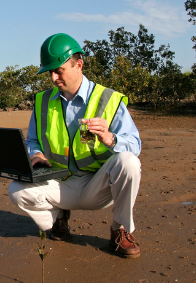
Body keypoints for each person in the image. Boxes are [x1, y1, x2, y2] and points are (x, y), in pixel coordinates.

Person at [8, 33, 142, 259]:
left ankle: (120, 229)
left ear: (78, 65)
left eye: (58, 71)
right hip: (60, 183)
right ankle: (59, 217)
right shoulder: (42, 101)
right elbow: (32, 140)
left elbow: (135, 145)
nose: (52, 78)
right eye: (49, 72)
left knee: (128, 162)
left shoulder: (109, 99)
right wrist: (36, 154)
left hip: (99, 185)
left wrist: (111, 139)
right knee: (17, 190)